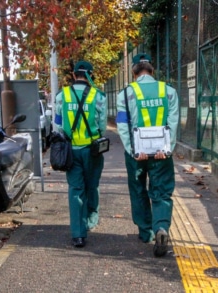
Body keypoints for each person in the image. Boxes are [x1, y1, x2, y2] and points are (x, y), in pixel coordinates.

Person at [115, 53, 179, 257]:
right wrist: (167, 150)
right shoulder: (168, 92)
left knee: (138, 190)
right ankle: (161, 227)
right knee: (161, 192)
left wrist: (133, 150)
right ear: (152, 70)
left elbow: (123, 125)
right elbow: (173, 123)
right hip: (161, 153)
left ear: (134, 72)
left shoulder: (125, 94)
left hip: (137, 154)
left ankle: (145, 232)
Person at [54, 61, 108, 248]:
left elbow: (58, 124)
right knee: (92, 186)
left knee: (76, 190)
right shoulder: (98, 96)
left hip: (71, 152)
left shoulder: (62, 96)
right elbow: (102, 126)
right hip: (92, 151)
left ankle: (78, 234)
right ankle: (90, 220)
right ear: (90, 75)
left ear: (74, 74)